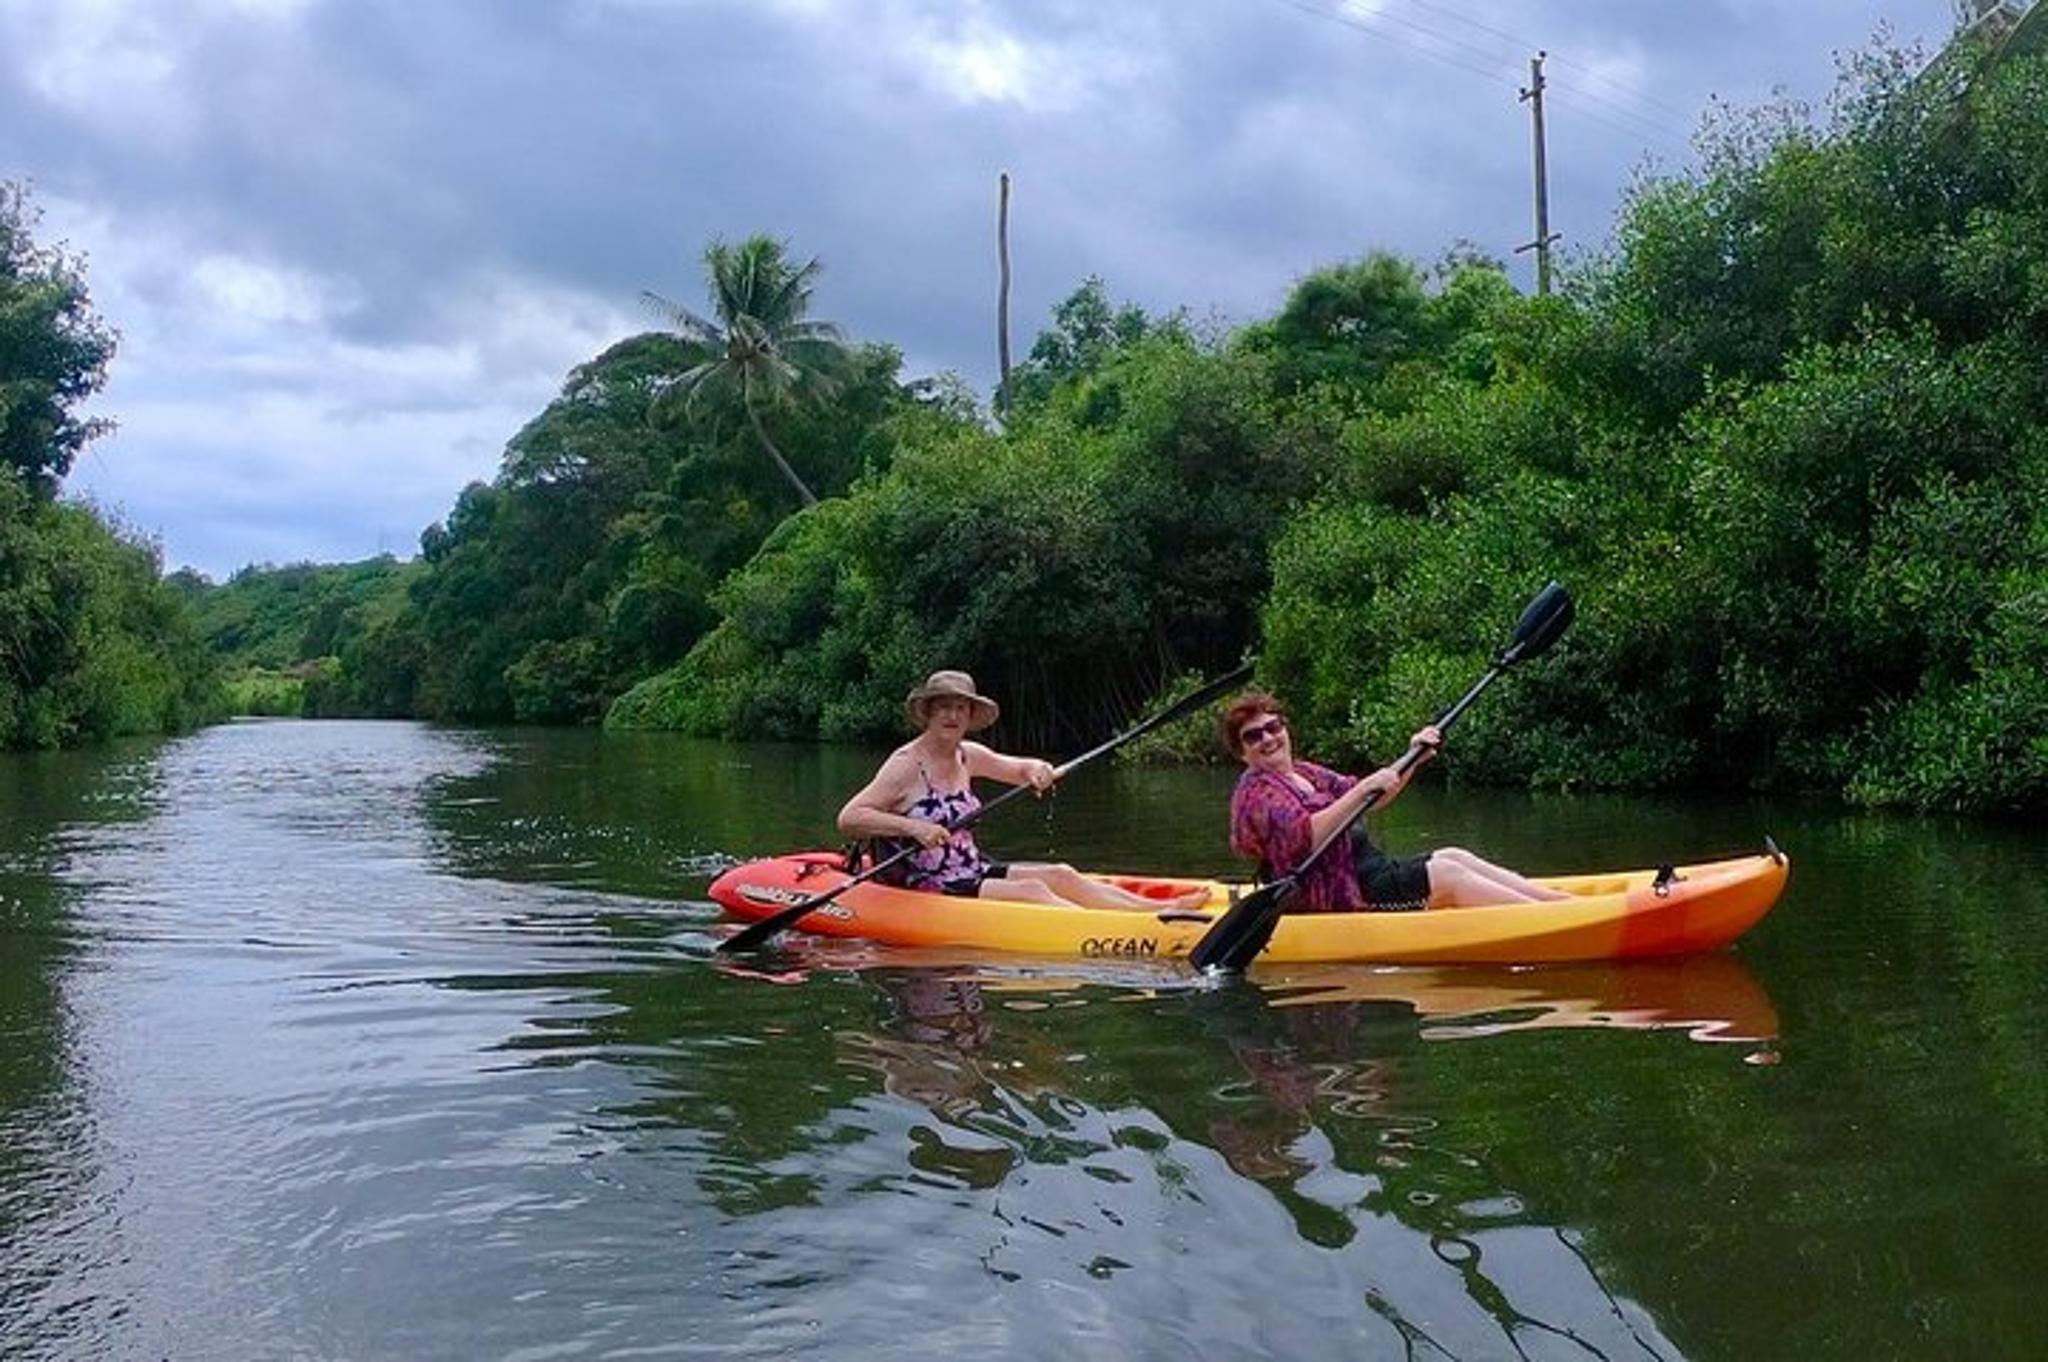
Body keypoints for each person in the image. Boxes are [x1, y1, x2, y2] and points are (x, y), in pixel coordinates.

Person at [837, 669, 1210, 911]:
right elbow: (850, 818)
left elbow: (1020, 769)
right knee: (1031, 892)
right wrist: (914, 828)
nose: (952, 716)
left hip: (970, 870)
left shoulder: (968, 755)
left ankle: (1157, 911)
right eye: (944, 708)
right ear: (929, 713)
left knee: (1062, 873)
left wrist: (1038, 770)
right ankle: (1117, 931)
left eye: (960, 709)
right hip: (927, 885)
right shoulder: (906, 764)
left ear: (969, 716)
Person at [1221, 689, 1570, 913]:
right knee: (1446, 873)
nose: (1268, 738)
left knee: (1452, 855)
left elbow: (1374, 798)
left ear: (1285, 728)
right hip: (1336, 896)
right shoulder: (1256, 794)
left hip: (1367, 873)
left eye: (1274, 727)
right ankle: (1553, 920)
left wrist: (1413, 757)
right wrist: (1361, 791)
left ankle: (1563, 906)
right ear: (1242, 752)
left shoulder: (1305, 772)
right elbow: (1307, 836)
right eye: (1254, 736)